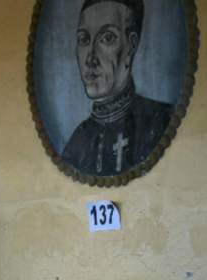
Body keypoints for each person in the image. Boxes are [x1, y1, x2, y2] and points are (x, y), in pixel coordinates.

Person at [61, 0, 173, 176]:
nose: (90, 58)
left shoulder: (162, 121)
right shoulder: (77, 144)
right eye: (84, 39)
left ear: (131, 45)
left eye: (106, 38)